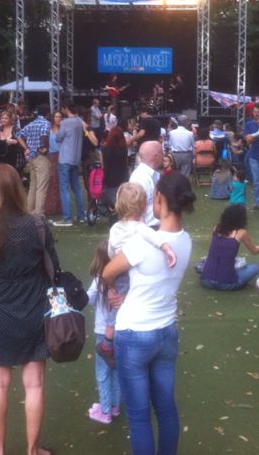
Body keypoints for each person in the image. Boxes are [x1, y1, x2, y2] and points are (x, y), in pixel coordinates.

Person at [0, 163, 60, 455]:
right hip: (34, 308)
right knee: (34, 385)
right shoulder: (38, 224)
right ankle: (33, 450)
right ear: (18, 188)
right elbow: (54, 269)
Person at [102, 172, 195, 455]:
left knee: (139, 417)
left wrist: (113, 291)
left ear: (160, 199)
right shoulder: (186, 240)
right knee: (166, 410)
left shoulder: (142, 243)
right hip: (166, 332)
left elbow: (108, 271)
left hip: (134, 334)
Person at [96, 183, 178, 367]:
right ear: (143, 206)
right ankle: (108, 345)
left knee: (115, 303)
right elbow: (153, 236)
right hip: (127, 271)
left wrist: (114, 262)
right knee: (121, 306)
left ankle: (107, 342)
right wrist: (166, 248)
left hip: (117, 268)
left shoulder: (116, 228)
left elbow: (110, 250)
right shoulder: (139, 227)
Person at [86, 241, 122, 425]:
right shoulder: (123, 279)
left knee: (103, 372)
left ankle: (105, 410)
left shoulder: (100, 279)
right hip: (120, 332)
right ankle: (115, 406)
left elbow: (89, 299)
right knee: (116, 369)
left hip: (103, 333)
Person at [200, 204, 259, 290]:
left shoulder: (216, 228)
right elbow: (255, 251)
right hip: (227, 284)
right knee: (255, 267)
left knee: (238, 264)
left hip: (206, 280)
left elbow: (212, 251)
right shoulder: (241, 232)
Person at [54, 102, 86, 227]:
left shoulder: (66, 122)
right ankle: (81, 215)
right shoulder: (79, 121)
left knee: (64, 189)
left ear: (66, 109)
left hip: (65, 158)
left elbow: (58, 138)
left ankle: (67, 218)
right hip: (76, 158)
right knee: (77, 187)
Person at [17, 105, 51, 216]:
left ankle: (29, 210)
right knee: (41, 186)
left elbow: (19, 135)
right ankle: (38, 212)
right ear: (48, 114)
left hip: (31, 156)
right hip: (41, 156)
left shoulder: (31, 124)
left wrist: (26, 148)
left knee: (33, 185)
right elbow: (44, 135)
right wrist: (45, 147)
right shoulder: (45, 123)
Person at [129, 141, 163, 228]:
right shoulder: (140, 177)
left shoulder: (151, 175)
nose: (164, 155)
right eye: (162, 152)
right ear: (156, 156)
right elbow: (135, 211)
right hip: (149, 229)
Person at [100, 126, 129, 210]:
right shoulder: (124, 149)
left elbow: (102, 165)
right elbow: (125, 163)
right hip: (122, 178)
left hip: (109, 178)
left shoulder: (104, 149)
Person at [0, 110, 24, 174]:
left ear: (10, 119)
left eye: (6, 118)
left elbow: (23, 144)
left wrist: (15, 142)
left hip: (13, 159)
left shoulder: (16, 129)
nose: (3, 120)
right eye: (2, 118)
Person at [44, 111, 63, 217]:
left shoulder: (63, 129)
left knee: (60, 182)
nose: (58, 118)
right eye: (56, 116)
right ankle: (50, 208)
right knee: (51, 182)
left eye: (60, 116)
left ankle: (59, 207)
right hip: (51, 156)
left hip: (61, 156)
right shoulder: (48, 129)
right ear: (53, 118)